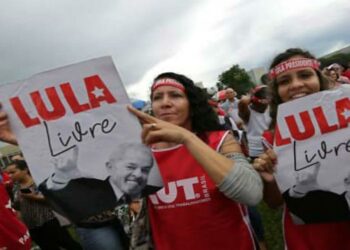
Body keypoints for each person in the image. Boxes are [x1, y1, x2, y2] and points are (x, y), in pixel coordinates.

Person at [128, 72, 263, 249]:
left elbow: (252, 193)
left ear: (191, 104)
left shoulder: (220, 140)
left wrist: (187, 139)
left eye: (175, 95)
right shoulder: (143, 153)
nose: (165, 103)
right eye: (157, 97)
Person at [253, 48, 350, 249]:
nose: (296, 85)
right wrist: (270, 179)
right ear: (277, 91)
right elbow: (275, 203)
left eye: (305, 75)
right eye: (284, 81)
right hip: (310, 236)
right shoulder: (271, 137)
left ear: (319, 79)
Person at [6, 160, 82, 250]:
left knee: (68, 244)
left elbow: (53, 198)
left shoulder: (38, 182)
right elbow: (17, 207)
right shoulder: (16, 187)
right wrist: (21, 224)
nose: (10, 175)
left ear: (25, 170)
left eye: (13, 172)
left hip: (49, 221)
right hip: (32, 226)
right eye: (8, 173)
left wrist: (34, 197)